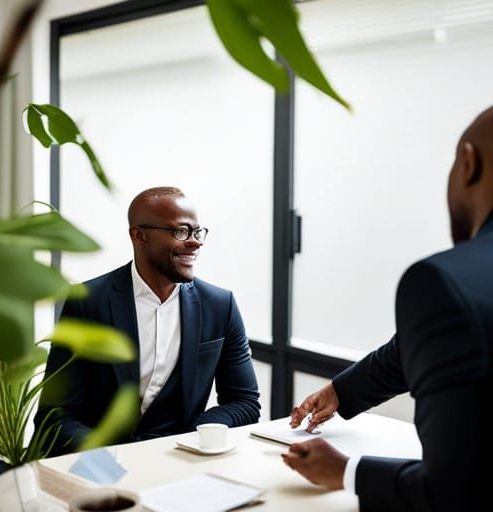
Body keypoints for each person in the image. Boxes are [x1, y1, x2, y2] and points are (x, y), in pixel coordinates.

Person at [282, 107, 493, 511]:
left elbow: (452, 493)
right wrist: (340, 392)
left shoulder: (443, 281)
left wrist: (347, 472)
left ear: (469, 162)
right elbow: (426, 347)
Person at [34, 186, 260, 455]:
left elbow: (244, 401)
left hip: (181, 458)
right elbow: (55, 417)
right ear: (139, 236)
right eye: (180, 231)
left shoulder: (220, 305)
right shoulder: (87, 302)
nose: (195, 242)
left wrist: (197, 434)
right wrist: (112, 460)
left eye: (197, 232)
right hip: (99, 461)